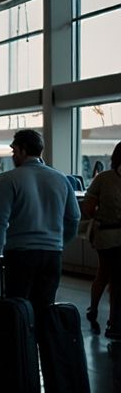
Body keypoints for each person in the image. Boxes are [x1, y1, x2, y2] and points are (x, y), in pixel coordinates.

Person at [0, 130, 81, 393]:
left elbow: (0, 219)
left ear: (24, 150)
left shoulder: (8, 180)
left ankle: (19, 391)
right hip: (51, 256)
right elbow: (74, 218)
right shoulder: (60, 179)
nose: (12, 154)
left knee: (16, 319)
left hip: (20, 255)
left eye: (14, 149)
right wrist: (59, 243)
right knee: (45, 319)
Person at [83, 141, 121, 339]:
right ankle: (114, 322)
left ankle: (95, 309)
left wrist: (101, 215)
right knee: (112, 277)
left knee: (105, 274)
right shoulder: (104, 179)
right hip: (110, 237)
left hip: (106, 235)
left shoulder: (104, 179)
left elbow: (88, 208)